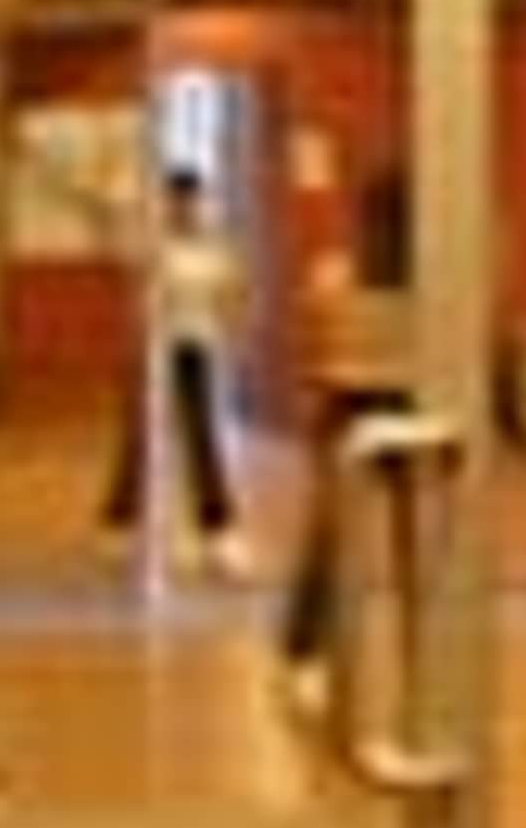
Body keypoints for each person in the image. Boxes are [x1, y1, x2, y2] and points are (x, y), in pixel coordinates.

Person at [278, 157, 418, 699]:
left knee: (416, 544)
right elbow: (328, 342)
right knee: (332, 538)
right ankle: (305, 652)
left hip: (408, 408)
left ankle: (422, 654)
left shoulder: (433, 278)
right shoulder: (339, 273)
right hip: (355, 407)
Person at [102, 159, 249, 571]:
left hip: (196, 349)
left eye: (192, 200)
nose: (185, 207)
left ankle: (218, 533)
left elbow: (232, 297)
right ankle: (120, 525)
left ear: (201, 202)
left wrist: (230, 323)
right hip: (156, 350)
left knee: (202, 439)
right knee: (141, 438)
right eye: (177, 200)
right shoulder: (153, 245)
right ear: (167, 202)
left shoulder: (217, 248)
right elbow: (135, 288)